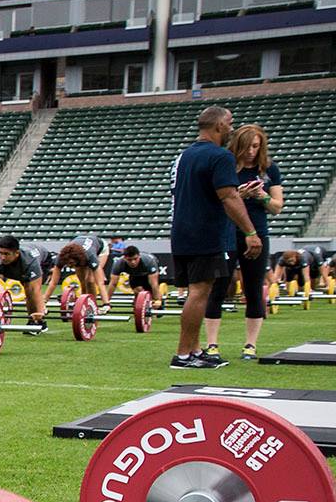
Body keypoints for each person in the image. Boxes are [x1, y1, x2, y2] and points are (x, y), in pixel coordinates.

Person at [168, 105, 259, 370]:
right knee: (199, 292)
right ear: (219, 126)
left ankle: (195, 350)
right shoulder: (221, 156)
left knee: (197, 292)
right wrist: (251, 232)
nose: (232, 128)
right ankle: (184, 355)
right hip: (205, 233)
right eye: (230, 123)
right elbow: (228, 197)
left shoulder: (184, 156)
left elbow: (205, 194)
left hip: (182, 233)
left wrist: (235, 193)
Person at [203, 124, 282, 361]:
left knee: (253, 288)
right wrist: (240, 196)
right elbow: (218, 203)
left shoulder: (269, 170)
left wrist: (261, 195)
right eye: (247, 147)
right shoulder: (227, 167)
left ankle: (250, 345)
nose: (250, 152)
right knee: (219, 288)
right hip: (226, 235)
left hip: (258, 234)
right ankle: (212, 344)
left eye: (255, 147)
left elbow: (277, 207)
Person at [0, 236, 57, 327]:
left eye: (6, 254)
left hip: (43, 261)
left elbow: (36, 290)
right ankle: (34, 318)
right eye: (1, 253)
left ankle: (38, 321)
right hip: (19, 267)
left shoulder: (30, 262)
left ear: (16, 253)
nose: (3, 257)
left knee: (29, 290)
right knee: (27, 290)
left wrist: (39, 313)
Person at [55, 234, 113, 308]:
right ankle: (83, 302)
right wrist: (44, 301)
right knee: (82, 281)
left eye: (71, 263)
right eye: (68, 263)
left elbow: (100, 283)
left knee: (90, 280)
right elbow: (53, 282)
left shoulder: (90, 255)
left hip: (100, 250)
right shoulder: (62, 256)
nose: (69, 266)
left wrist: (106, 304)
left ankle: (93, 304)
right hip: (80, 248)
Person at [108, 243, 166, 309]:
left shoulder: (149, 261)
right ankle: (140, 307)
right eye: (129, 260)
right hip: (134, 275)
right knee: (138, 291)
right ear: (124, 258)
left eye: (135, 259)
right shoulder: (119, 263)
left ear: (139, 256)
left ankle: (161, 301)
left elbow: (154, 284)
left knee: (153, 295)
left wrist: (157, 300)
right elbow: (113, 283)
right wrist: (106, 302)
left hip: (148, 274)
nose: (133, 262)